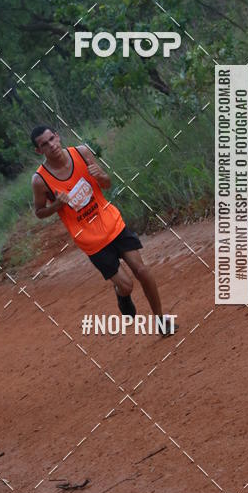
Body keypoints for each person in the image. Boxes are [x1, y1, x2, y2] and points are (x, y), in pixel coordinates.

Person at [31, 125, 176, 337]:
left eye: (52, 139)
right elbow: (39, 212)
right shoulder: (40, 180)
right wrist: (56, 206)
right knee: (127, 286)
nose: (51, 145)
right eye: (44, 144)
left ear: (58, 136)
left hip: (112, 223)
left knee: (142, 271)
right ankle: (122, 295)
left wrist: (101, 175)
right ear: (39, 151)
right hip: (90, 240)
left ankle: (161, 321)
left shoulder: (81, 152)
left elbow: (107, 184)